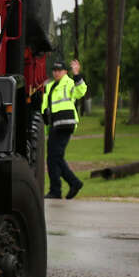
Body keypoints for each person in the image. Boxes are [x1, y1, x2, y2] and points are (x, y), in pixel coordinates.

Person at [44, 58, 88, 200]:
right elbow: (45, 105)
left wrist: (77, 75)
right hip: (54, 125)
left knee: (55, 157)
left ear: (65, 72)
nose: (56, 73)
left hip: (66, 124)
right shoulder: (50, 86)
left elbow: (81, 91)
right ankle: (65, 186)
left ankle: (62, 188)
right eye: (55, 70)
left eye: (59, 70)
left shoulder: (69, 82)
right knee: (52, 159)